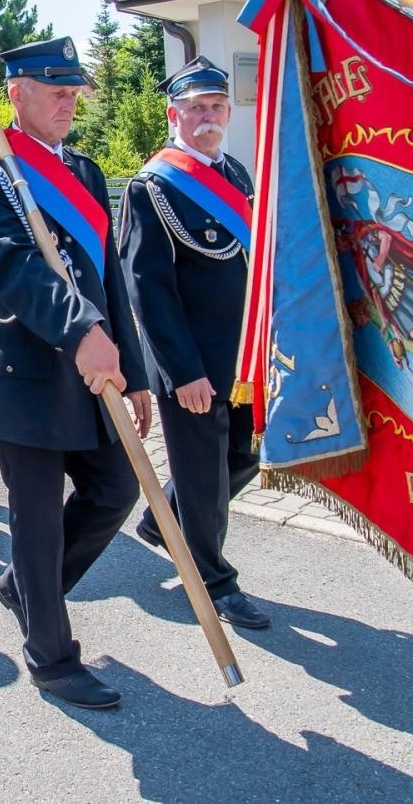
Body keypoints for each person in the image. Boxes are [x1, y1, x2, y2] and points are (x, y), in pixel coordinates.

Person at [0, 35, 152, 710]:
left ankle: (27, 589)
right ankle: (51, 653)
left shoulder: (88, 173)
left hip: (89, 369)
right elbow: (9, 269)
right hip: (22, 374)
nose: (70, 99)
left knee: (115, 488)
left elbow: (110, 274)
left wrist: (141, 370)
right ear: (15, 92)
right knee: (34, 519)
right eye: (55, 87)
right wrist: (80, 328)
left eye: (74, 89)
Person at [118, 58, 268, 629]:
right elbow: (147, 291)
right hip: (192, 364)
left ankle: (168, 518)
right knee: (205, 470)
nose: (208, 117)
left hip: (243, 359)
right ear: (173, 113)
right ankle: (212, 579)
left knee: (246, 457)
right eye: (196, 108)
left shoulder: (236, 175)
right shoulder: (152, 187)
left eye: (216, 106)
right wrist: (182, 372)